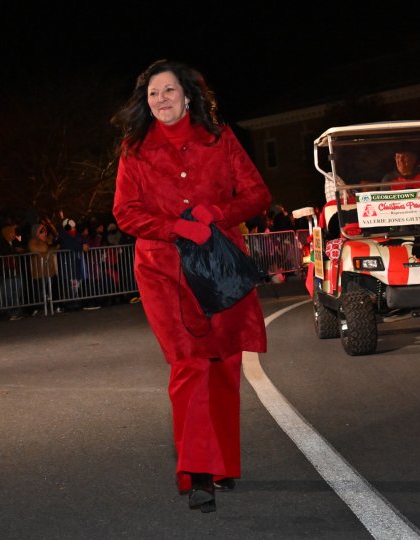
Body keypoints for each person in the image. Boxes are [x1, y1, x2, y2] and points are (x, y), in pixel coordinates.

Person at [111, 59, 272, 513]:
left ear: (188, 96)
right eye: (152, 94)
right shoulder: (135, 150)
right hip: (164, 273)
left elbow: (258, 193)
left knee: (224, 364)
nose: (160, 100)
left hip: (220, 268)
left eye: (168, 91)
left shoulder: (220, 141)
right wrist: (175, 227)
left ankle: (223, 465)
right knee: (189, 364)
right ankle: (197, 471)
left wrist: (214, 214)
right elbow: (126, 212)